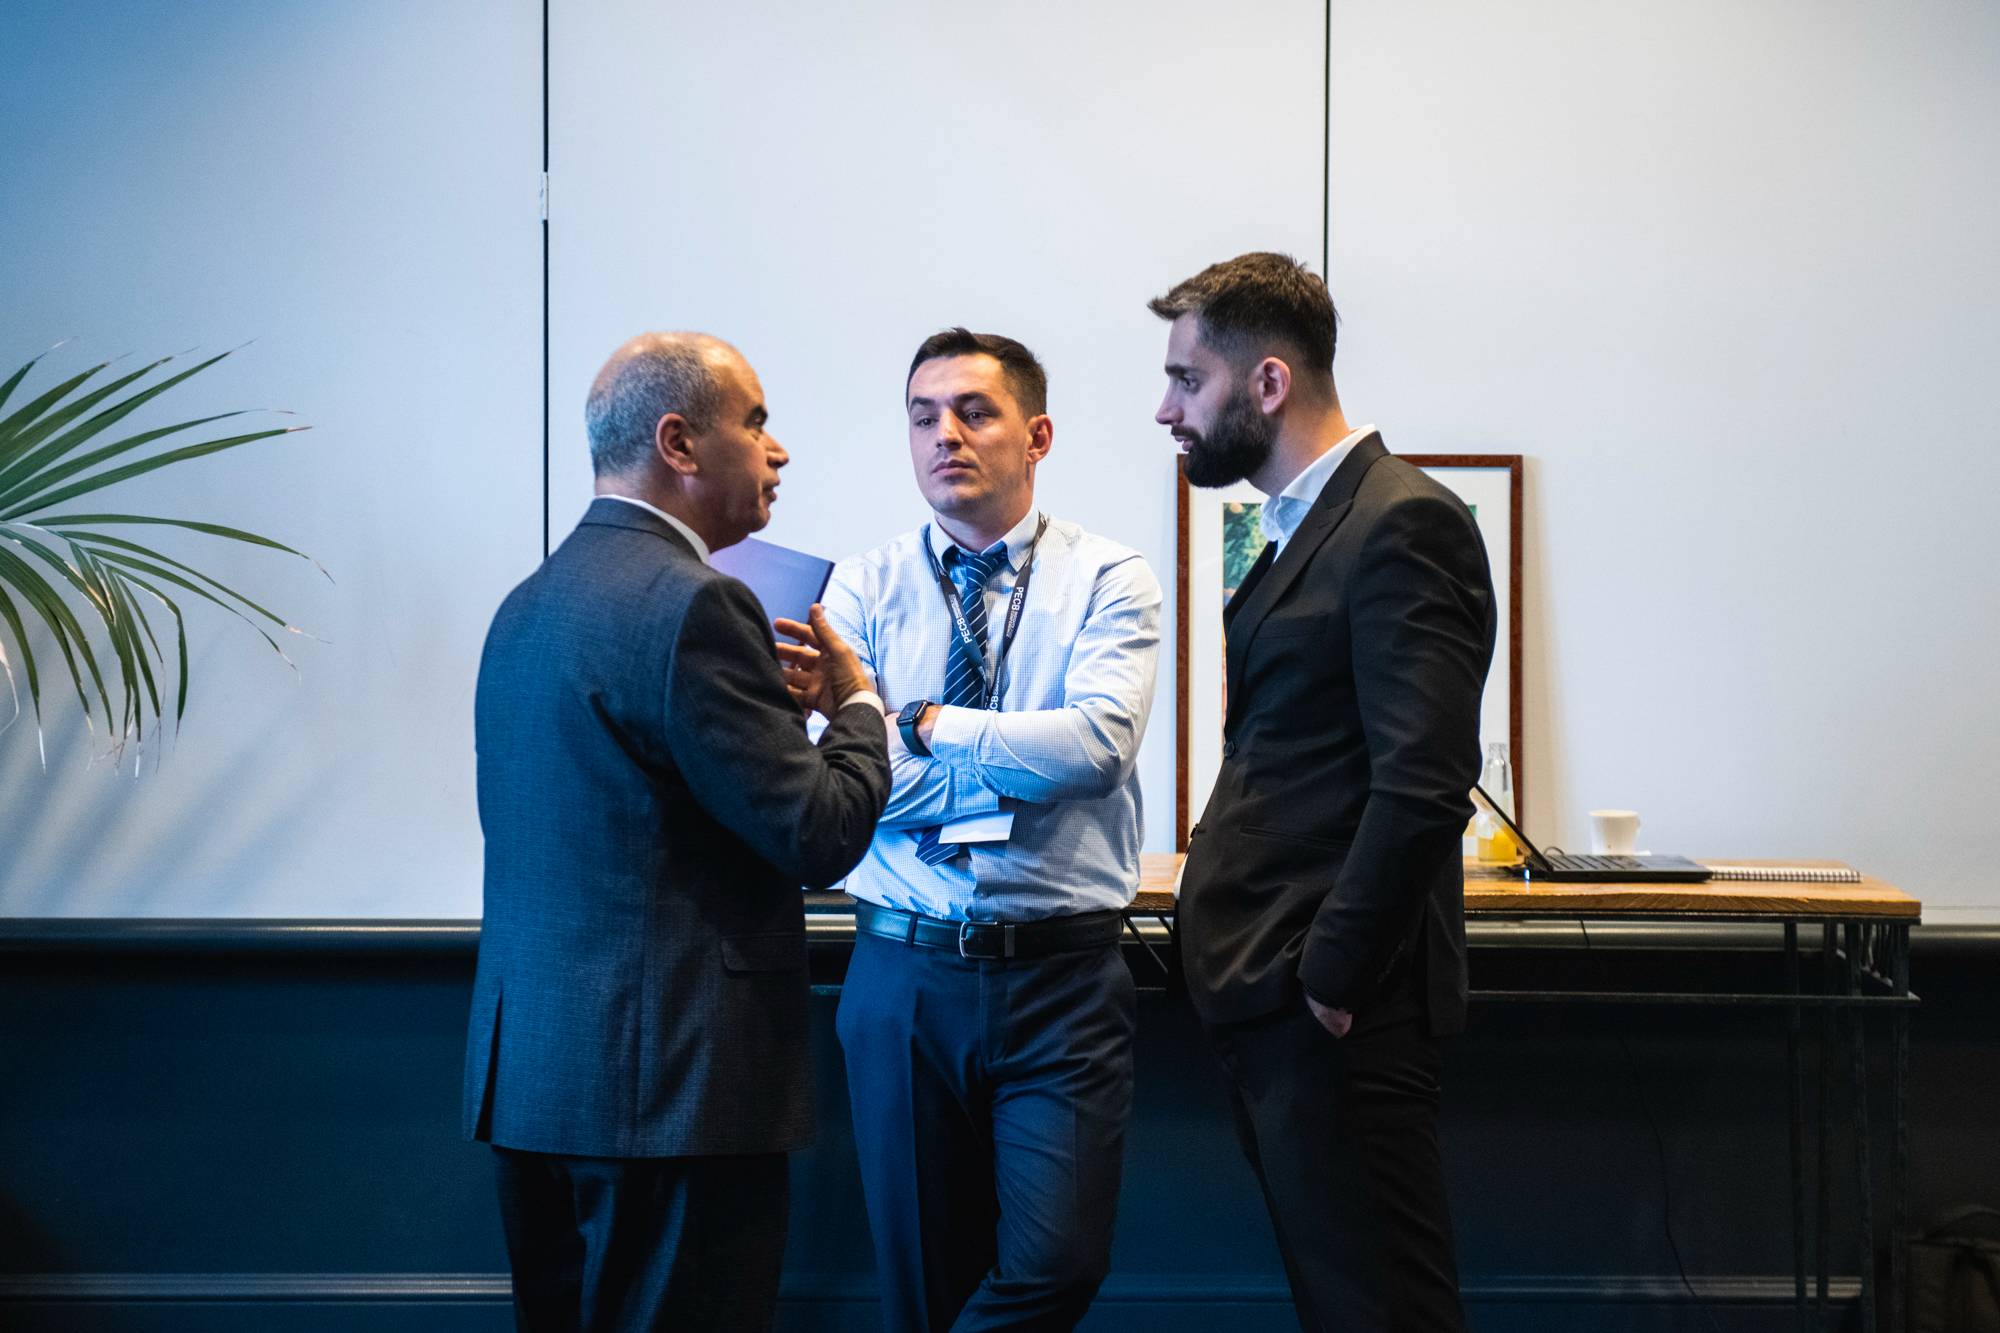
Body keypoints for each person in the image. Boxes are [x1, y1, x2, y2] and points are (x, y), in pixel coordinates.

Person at [464, 332, 891, 1332]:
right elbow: (821, 833)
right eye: (756, 421)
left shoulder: (525, 605)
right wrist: (856, 706)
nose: (778, 450)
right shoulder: (700, 604)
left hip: (535, 1080)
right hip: (671, 1093)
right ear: (679, 443)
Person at [1150, 254, 1495, 1332]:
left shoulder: (1402, 521)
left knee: (1383, 1311)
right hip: (1278, 1005)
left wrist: (1329, 980)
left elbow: (1425, 780)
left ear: (1267, 383)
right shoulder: (1304, 527)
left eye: (1186, 380)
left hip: (1337, 1016)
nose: (1166, 410)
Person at [815, 328, 1161, 1332]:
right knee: (922, 1287)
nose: (945, 436)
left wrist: (927, 724)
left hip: (1062, 980)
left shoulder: (1109, 577)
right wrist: (1011, 772)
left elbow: (1094, 748)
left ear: (1036, 435)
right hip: (903, 974)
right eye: (923, 416)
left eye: (974, 412)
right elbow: (841, 777)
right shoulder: (860, 587)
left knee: (1059, 1265)